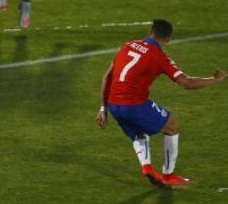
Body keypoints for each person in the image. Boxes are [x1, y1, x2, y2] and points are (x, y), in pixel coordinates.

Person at [96, 19, 227, 187]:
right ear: (168, 39)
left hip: (114, 105)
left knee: (138, 132)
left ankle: (148, 168)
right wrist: (216, 79)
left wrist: (103, 108)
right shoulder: (159, 57)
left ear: (150, 31)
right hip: (135, 105)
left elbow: (107, 76)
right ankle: (168, 175)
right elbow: (187, 83)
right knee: (172, 126)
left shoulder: (127, 45)